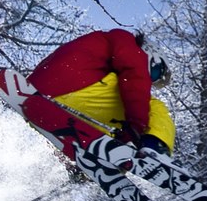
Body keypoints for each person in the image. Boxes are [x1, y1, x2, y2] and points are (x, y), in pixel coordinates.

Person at [25, 28, 175, 160]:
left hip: (39, 97)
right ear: (150, 53)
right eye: (155, 72)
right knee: (153, 107)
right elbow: (135, 79)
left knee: (108, 140)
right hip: (73, 86)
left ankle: (88, 160)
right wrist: (137, 127)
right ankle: (155, 149)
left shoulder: (96, 45)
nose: (149, 80)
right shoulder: (128, 42)